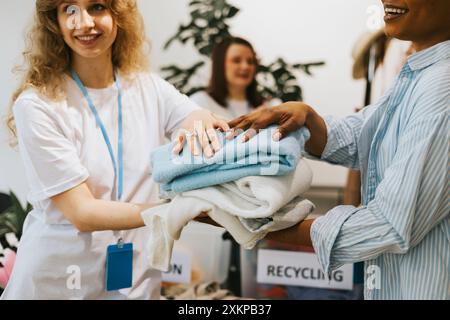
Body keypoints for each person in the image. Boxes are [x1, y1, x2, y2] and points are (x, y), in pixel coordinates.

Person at [1, 0, 228, 299]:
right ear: (54, 22)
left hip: (136, 280)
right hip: (60, 282)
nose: (84, 23)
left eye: (97, 7)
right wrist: (178, 210)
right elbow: (83, 212)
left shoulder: (149, 88)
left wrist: (199, 120)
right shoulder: (38, 104)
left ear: (118, 15)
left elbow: (195, 118)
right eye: (69, 9)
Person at [227, 0, 449, 300]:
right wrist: (306, 120)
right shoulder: (421, 75)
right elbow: (367, 133)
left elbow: (389, 224)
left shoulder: (441, 87)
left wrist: (258, 225)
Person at [190, 36, 266, 120]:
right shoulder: (199, 103)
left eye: (250, 61)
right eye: (236, 60)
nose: (245, 67)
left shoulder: (266, 107)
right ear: (220, 65)